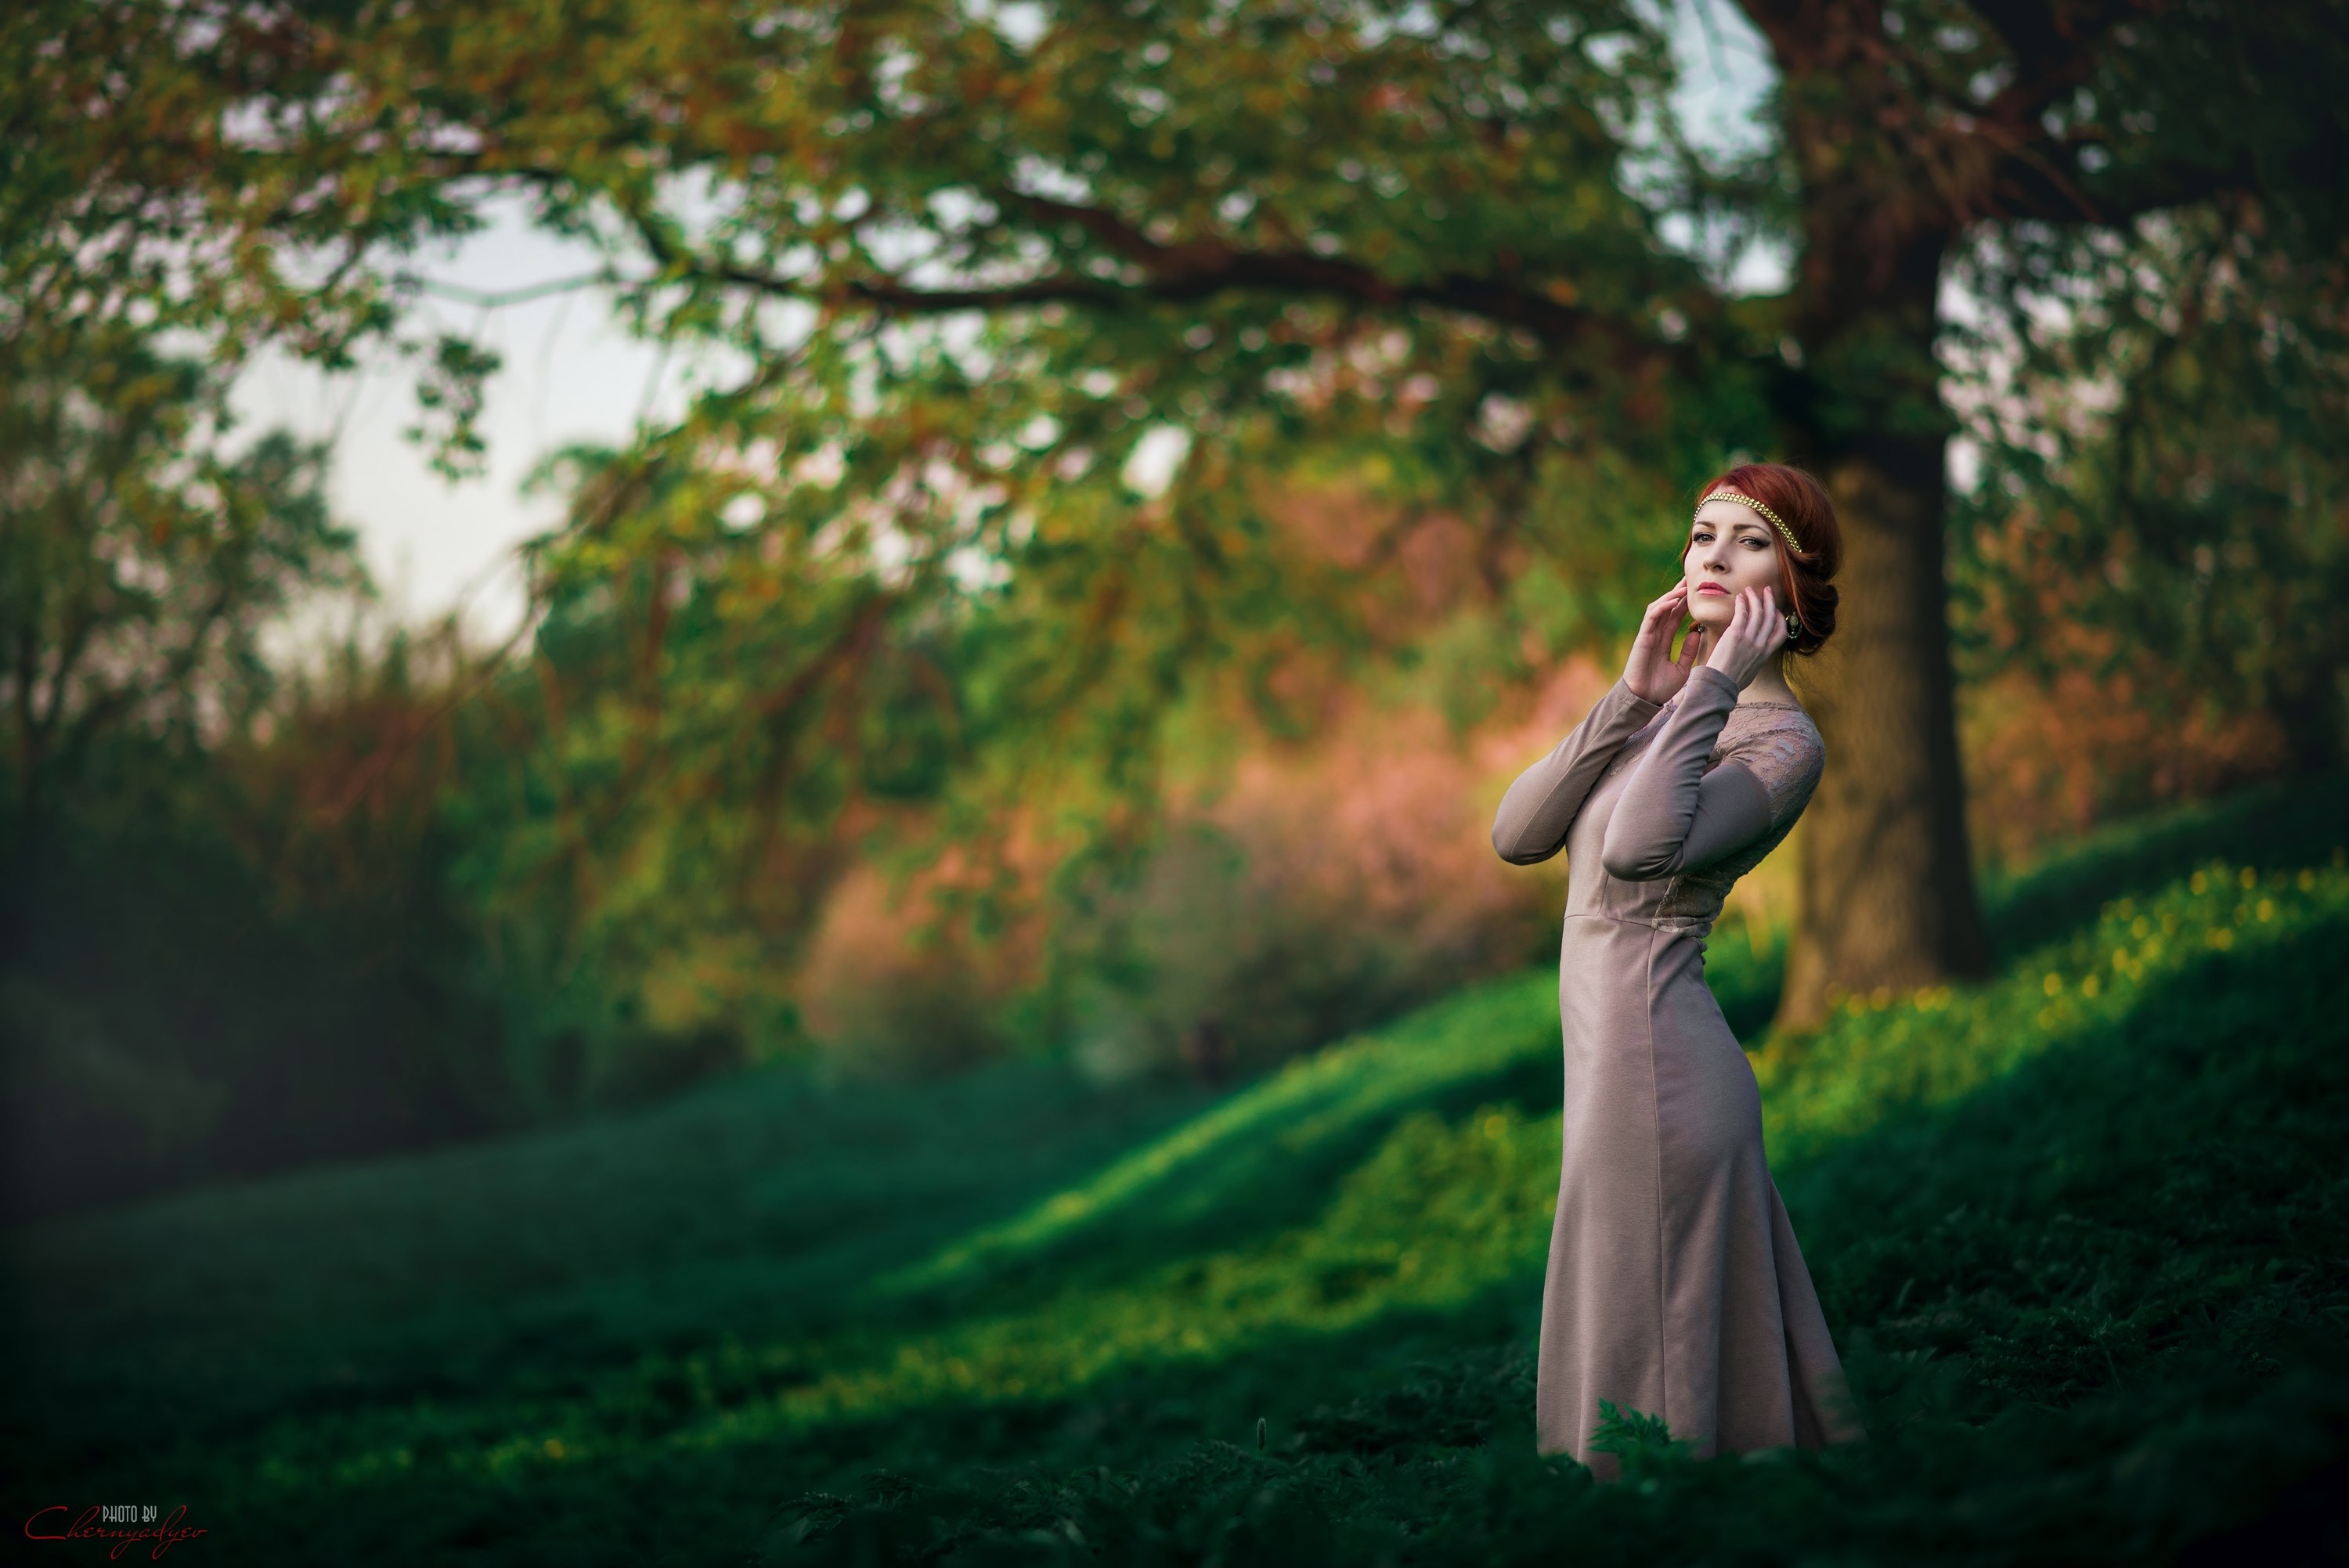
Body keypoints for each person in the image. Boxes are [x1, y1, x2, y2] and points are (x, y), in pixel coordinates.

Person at [1488, 461, 1867, 1478]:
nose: (1715, 556)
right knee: (1630, 1339)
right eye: (1704, 534)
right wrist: (1632, 692)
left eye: (1751, 542)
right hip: (1611, 1082)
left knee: (1654, 1367)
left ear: (1792, 587)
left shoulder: (1782, 743)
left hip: (1665, 1081)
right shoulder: (1661, 714)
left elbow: (1637, 849)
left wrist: (1709, 686)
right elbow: (1518, 833)